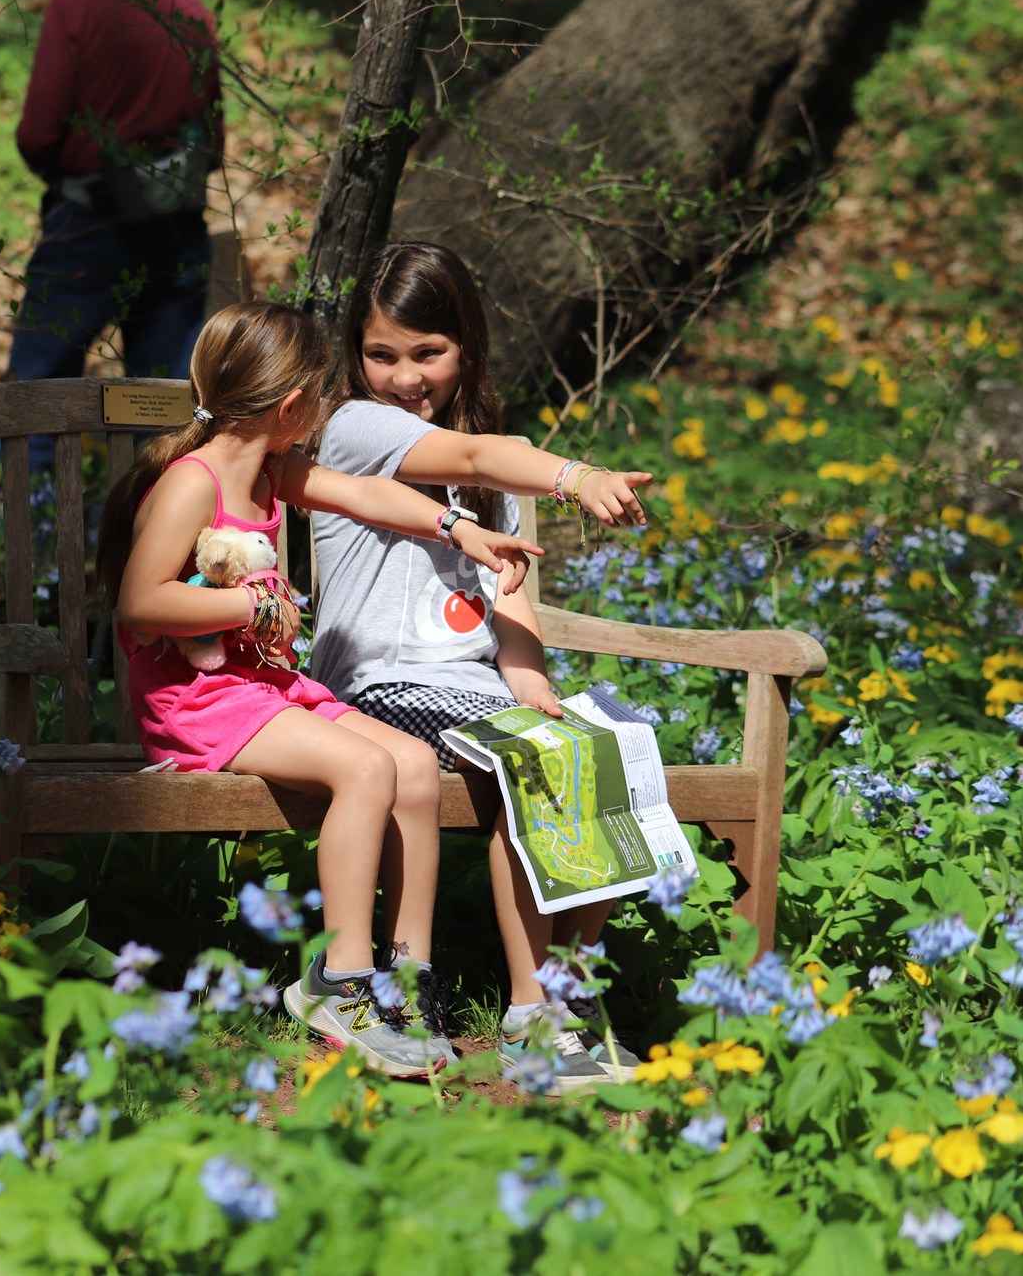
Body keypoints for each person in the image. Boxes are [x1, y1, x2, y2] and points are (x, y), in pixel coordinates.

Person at [99, 301, 542, 1078]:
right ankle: (341, 979)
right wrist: (251, 603)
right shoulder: (191, 485)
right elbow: (140, 602)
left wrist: (457, 529)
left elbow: (367, 496)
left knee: (407, 762)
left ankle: (405, 981)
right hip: (197, 705)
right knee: (366, 767)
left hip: (261, 689)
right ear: (291, 406)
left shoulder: (270, 473)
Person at [308, 241, 654, 1092]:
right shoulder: (359, 431)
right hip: (378, 683)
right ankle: (534, 1013)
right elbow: (468, 460)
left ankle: (564, 998)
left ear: (468, 347)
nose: (404, 376)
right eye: (380, 355)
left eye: (429, 353)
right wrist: (577, 475)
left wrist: (533, 684)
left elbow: (513, 601)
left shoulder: (496, 458)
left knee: (601, 749)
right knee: (531, 763)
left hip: (472, 689)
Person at [8, 0, 221, 467]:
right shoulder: (191, 10)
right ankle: (153, 533)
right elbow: (213, 141)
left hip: (89, 222)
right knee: (167, 405)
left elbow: (37, 133)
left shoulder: (76, 10)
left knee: (39, 392)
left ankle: (33, 529)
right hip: (175, 225)